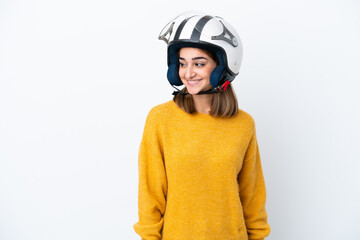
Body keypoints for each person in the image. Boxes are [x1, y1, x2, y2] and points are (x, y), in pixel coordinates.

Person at [133, 11, 271, 240]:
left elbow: (252, 196)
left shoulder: (243, 124)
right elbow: (150, 193)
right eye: (182, 63)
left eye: (199, 63)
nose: (188, 73)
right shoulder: (160, 119)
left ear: (221, 68)